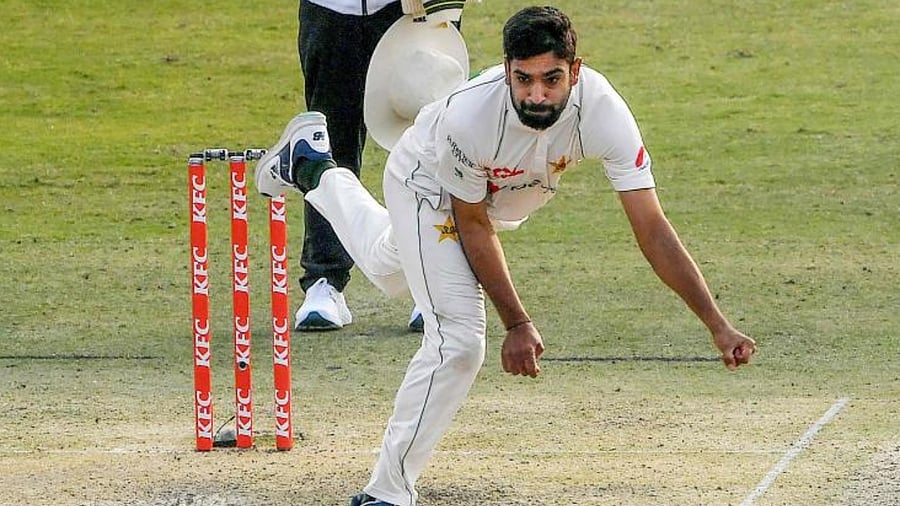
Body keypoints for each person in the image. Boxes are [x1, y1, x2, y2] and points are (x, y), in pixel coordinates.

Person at [256, 6, 757, 505]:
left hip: (494, 199)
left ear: (575, 71)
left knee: (389, 269)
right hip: (426, 184)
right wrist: (516, 323)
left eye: (552, 79)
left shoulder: (604, 110)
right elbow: (470, 224)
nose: (537, 95)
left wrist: (716, 322)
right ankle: (387, 491)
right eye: (524, 79)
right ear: (506, 69)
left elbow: (651, 227)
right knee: (458, 341)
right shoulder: (471, 116)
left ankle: (310, 166)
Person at [294, 0, 465, 332]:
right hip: (331, 8)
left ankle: (431, 281)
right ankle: (324, 280)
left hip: (417, 8)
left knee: (428, 139)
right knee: (330, 136)